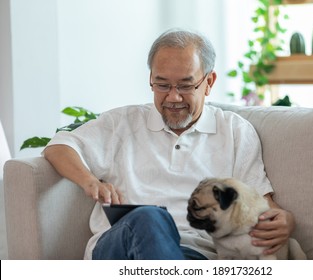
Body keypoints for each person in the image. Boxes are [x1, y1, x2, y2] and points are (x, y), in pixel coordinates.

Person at [43, 28, 295, 260]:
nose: (173, 97)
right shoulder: (122, 123)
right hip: (120, 249)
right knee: (148, 217)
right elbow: (59, 147)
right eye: (162, 85)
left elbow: (261, 202)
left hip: (195, 255)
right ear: (150, 78)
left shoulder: (235, 131)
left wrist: (285, 221)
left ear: (209, 82)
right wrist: (90, 181)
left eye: (185, 85)